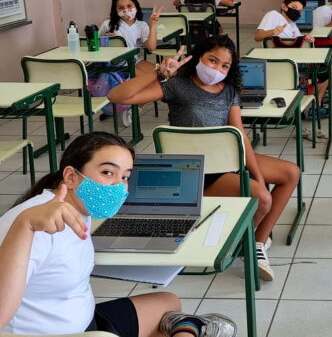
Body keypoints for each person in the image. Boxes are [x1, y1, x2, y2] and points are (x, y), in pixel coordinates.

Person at [0, 132, 236, 336]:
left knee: (167, 302)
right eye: (107, 173)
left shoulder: (77, 204)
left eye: (125, 177)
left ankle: (186, 327)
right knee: (174, 322)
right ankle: (188, 329)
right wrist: (25, 226)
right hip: (65, 334)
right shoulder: (33, 225)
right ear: (71, 176)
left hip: (86, 320)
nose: (118, 186)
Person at [109, 37, 301, 282]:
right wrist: (158, 72)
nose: (217, 69)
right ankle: (241, 242)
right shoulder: (177, 85)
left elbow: (239, 134)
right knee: (262, 199)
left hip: (228, 160)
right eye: (212, 60)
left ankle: (257, 244)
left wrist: (259, 177)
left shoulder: (229, 90)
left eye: (224, 65)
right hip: (196, 170)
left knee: (291, 172)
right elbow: (119, 97)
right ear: (198, 56)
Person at [99, 0, 159, 75]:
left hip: (134, 60)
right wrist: (106, 40)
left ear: (136, 6)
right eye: (121, 8)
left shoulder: (142, 25)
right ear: (115, 10)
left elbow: (151, 47)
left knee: (159, 72)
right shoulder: (107, 25)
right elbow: (95, 46)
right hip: (115, 65)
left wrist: (153, 25)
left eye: (129, 6)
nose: (126, 10)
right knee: (149, 78)